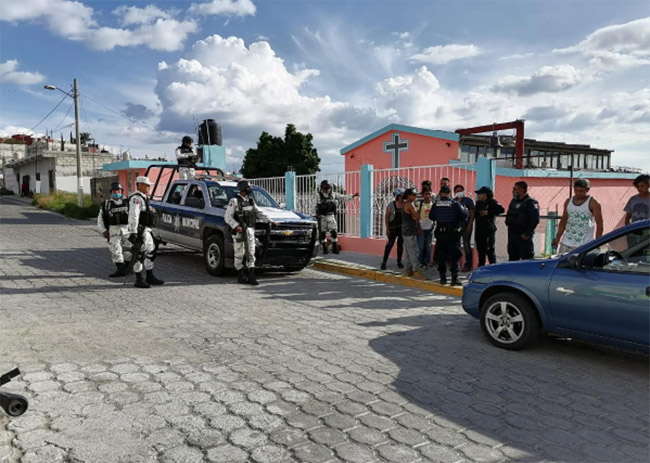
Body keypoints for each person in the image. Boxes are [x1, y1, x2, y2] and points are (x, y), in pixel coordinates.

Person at [225, 180, 274, 285]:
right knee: (239, 253)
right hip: (239, 232)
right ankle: (240, 275)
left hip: (250, 230)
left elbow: (258, 212)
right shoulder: (234, 201)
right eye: (248, 188)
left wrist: (269, 220)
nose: (249, 190)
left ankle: (251, 275)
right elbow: (227, 217)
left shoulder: (251, 200)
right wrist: (236, 226)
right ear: (243, 189)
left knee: (251, 252)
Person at [127, 176, 164, 289]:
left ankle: (149, 275)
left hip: (146, 229)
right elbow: (134, 215)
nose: (149, 187)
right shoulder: (136, 198)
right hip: (140, 230)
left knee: (151, 251)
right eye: (147, 185)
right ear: (139, 185)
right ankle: (139, 279)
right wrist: (134, 232)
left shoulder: (143, 198)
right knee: (140, 254)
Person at [552, 179, 604, 254]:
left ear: (587, 190)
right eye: (576, 190)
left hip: (584, 244)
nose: (578, 193)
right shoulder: (568, 202)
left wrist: (597, 242)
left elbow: (599, 224)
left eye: (581, 191)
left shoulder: (593, 203)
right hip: (566, 243)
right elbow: (564, 220)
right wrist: (557, 238)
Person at [430, 186, 466, 285]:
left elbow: (431, 216)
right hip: (453, 234)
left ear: (440, 194)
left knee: (441, 255)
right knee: (454, 256)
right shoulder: (455, 204)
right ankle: (454, 279)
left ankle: (443, 278)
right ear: (450, 194)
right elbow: (464, 216)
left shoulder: (436, 205)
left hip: (441, 234)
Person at [97, 182, 131, 278]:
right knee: (115, 249)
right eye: (115, 191)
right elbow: (100, 218)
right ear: (111, 192)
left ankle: (128, 268)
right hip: (114, 231)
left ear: (122, 191)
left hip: (127, 230)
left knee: (128, 250)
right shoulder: (107, 204)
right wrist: (103, 230)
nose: (117, 192)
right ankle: (120, 268)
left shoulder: (129, 202)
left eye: (119, 191)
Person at [316, 180, 358, 254]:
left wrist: (352, 196)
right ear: (322, 188)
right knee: (322, 233)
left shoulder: (333, 194)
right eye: (325, 188)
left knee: (334, 232)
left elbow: (342, 197)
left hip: (330, 215)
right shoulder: (318, 196)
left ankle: (334, 248)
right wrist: (315, 216)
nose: (327, 190)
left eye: (328, 188)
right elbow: (314, 206)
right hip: (322, 217)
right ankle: (324, 248)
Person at [505, 181, 540, 261]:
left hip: (523, 236)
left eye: (515, 189)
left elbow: (535, 219)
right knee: (512, 259)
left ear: (522, 190)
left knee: (527, 259)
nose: (513, 191)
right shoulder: (514, 201)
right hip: (512, 234)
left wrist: (527, 233)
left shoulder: (531, 203)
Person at [474, 186, 505, 267]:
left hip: (488, 230)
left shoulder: (492, 202)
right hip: (479, 230)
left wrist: (488, 212)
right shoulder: (479, 203)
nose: (478, 196)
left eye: (480, 194)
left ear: (485, 194)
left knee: (490, 251)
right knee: (480, 251)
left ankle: (493, 269)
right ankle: (481, 268)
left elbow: (501, 209)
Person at [401, 188, 425, 279]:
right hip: (410, 230)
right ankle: (416, 271)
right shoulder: (410, 205)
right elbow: (418, 217)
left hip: (405, 230)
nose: (415, 197)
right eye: (414, 195)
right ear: (409, 195)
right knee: (414, 251)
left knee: (407, 251)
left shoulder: (404, 204)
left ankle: (408, 269)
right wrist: (416, 214)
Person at [381, 189, 405, 270]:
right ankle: (384, 262)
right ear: (397, 196)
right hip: (392, 228)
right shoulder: (391, 205)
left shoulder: (405, 204)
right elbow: (387, 216)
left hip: (401, 228)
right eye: (401, 196)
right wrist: (387, 228)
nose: (403, 197)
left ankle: (399, 261)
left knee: (400, 245)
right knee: (389, 245)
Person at [453, 184, 475, 272]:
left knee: (466, 245)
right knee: (456, 246)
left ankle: (468, 264)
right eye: (457, 191)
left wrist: (470, 225)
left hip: (466, 226)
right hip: (456, 227)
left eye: (460, 191)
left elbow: (472, 213)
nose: (459, 193)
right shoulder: (453, 201)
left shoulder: (468, 201)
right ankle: (456, 264)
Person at [415, 188, 434, 268]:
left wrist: (434, 223)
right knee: (421, 246)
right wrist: (418, 227)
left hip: (430, 228)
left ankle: (427, 262)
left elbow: (435, 216)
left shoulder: (433, 204)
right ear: (422, 195)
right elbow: (416, 216)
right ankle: (420, 262)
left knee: (428, 246)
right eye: (425, 194)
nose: (427, 196)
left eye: (429, 194)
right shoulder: (419, 204)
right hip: (421, 228)